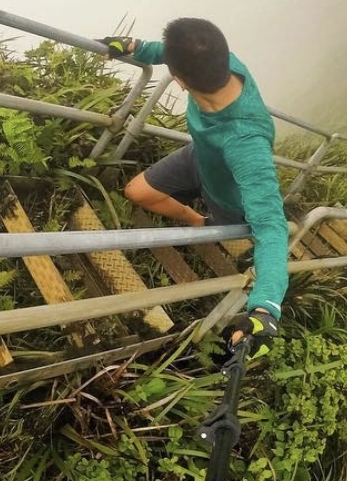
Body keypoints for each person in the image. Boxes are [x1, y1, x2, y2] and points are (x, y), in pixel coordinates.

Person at [100, 19, 287, 356]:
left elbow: (273, 228)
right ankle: (197, 221)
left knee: (238, 231)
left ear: (180, 81)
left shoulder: (247, 143)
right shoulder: (221, 62)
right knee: (137, 192)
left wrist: (265, 309)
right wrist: (135, 48)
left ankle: (213, 225)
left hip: (227, 195)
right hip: (199, 156)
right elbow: (172, 53)